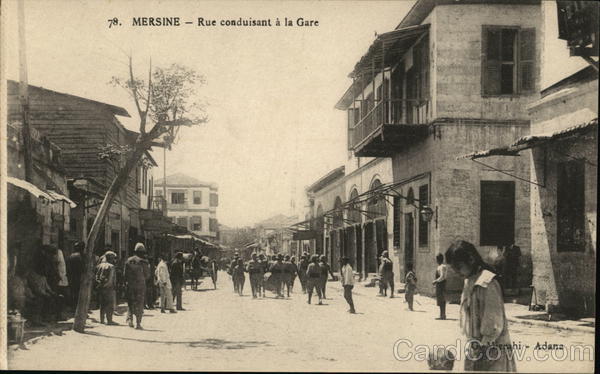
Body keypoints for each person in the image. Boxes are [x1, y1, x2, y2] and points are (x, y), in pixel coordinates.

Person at [445, 240, 516, 372]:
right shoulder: (469, 281)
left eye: (458, 267)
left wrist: (483, 347)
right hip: (475, 349)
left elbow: (493, 322)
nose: (456, 272)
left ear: (471, 260)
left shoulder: (488, 283)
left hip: (491, 351)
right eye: (453, 268)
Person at [124, 243, 151, 329]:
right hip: (140, 286)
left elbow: (125, 274)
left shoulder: (128, 260)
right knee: (139, 303)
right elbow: (147, 275)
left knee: (130, 303)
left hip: (130, 285)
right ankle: (138, 323)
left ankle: (130, 320)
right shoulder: (144, 262)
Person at [95, 251, 118, 325]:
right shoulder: (111, 266)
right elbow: (111, 279)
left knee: (102, 304)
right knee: (109, 304)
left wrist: (99, 284)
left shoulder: (99, 266)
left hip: (101, 287)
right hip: (109, 287)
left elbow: (96, 276)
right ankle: (109, 320)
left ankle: (102, 320)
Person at [66, 241, 84, 310]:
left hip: (72, 277)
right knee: (79, 294)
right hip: (79, 277)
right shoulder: (80, 256)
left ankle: (73, 307)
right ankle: (78, 308)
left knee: (73, 292)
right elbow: (82, 268)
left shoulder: (71, 255)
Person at [54, 247, 70, 320]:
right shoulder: (58, 254)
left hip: (61, 279)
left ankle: (59, 315)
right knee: (61, 298)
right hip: (60, 280)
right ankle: (59, 315)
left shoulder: (58, 255)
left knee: (61, 298)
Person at [432, 253, 447, 320]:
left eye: (437, 259)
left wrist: (436, 281)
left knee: (441, 299)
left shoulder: (442, 267)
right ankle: (442, 314)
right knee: (440, 299)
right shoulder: (441, 266)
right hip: (440, 284)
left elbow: (442, 276)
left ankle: (443, 315)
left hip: (441, 284)